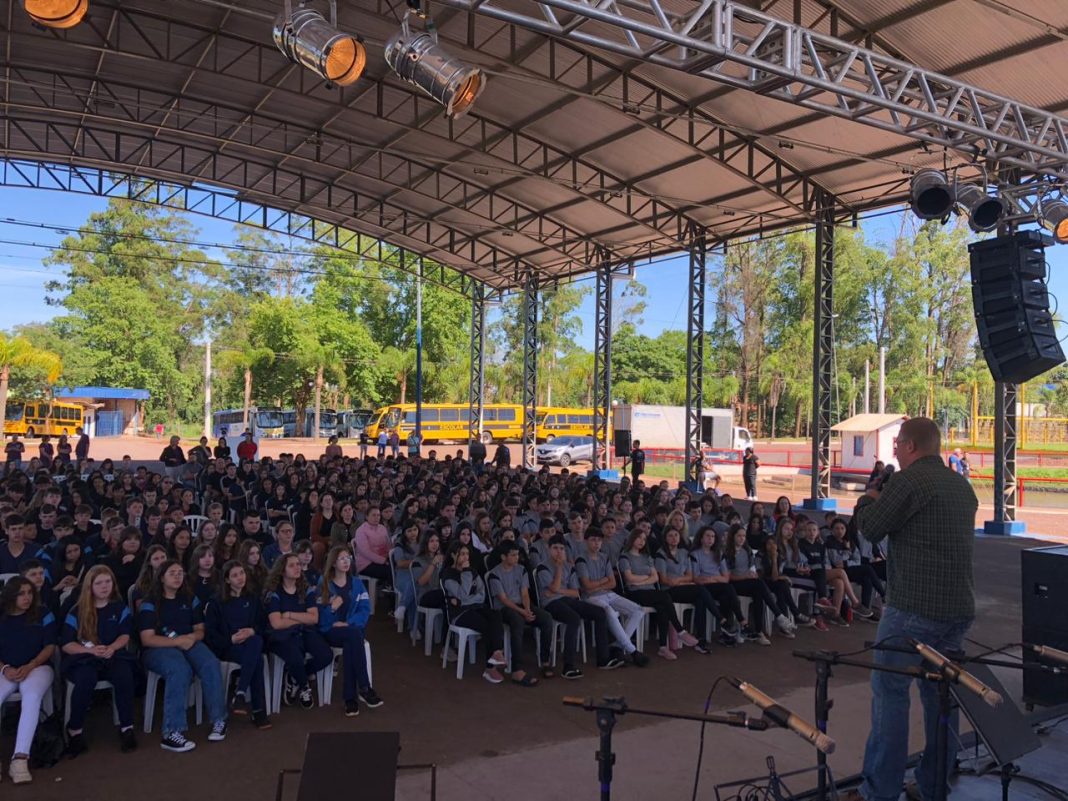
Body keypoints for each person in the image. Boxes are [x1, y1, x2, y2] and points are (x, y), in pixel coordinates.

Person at [846, 418, 978, 801]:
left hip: (912, 610)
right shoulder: (961, 485)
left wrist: (868, 498)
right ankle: (933, 785)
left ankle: (879, 791)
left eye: (897, 445)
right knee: (940, 696)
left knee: (890, 692)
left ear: (910, 446)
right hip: (957, 608)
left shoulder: (908, 481)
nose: (895, 452)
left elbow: (870, 528)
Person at [137, 559, 228, 752]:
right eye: (172, 573)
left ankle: (219, 719)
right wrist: (177, 641)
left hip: (188, 641)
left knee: (211, 663)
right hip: (159, 647)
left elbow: (200, 630)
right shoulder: (149, 602)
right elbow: (147, 639)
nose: (177, 576)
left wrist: (191, 638)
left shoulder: (190, 598)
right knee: (179, 670)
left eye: (180, 573)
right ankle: (171, 732)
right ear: (161, 578)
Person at [60, 565, 139, 756]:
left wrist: (112, 647)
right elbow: (67, 644)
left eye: (108, 582)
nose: (104, 586)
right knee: (85, 679)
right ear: (90, 586)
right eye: (99, 583)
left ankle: (127, 727)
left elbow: (125, 635)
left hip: (113, 654)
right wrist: (91, 650)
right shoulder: (76, 611)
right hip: (84, 658)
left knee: (124, 675)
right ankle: (75, 730)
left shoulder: (119, 608)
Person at [0, 576, 56, 783]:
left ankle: (20, 758)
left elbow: (50, 646)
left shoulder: (44, 613)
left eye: (30, 593)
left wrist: (32, 665)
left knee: (31, 696)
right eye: (21, 594)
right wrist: (5, 668)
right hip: (6, 669)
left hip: (38, 667)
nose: (27, 598)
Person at [204, 561, 272, 729]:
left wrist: (252, 631)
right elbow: (211, 634)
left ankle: (241, 693)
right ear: (227, 580)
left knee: (256, 642)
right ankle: (257, 710)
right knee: (257, 659)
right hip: (228, 646)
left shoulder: (252, 598)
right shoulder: (216, 602)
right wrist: (231, 640)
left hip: (250, 644)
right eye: (235, 575)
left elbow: (263, 624)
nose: (240, 578)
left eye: (242, 573)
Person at [316, 546, 383, 716]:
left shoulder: (357, 584)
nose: (346, 561)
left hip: (351, 630)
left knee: (351, 639)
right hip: (330, 630)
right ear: (333, 563)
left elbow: (365, 610)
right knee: (354, 636)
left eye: (348, 558)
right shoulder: (324, 583)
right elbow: (320, 617)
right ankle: (365, 687)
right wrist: (332, 609)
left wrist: (348, 623)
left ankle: (350, 698)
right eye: (341, 558)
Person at [264, 553, 333, 709]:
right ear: (282, 571)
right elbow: (276, 623)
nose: (297, 568)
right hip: (282, 636)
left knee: (326, 656)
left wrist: (289, 614)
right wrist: (302, 618)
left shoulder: (306, 590)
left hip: (305, 631)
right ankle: (304, 686)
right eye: (292, 565)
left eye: (298, 564)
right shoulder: (274, 593)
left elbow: (314, 618)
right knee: (295, 656)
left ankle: (295, 676)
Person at [574, 528, 649, 666]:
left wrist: (598, 584)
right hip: (590, 597)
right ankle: (633, 651)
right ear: (586, 541)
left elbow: (613, 583)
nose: (596, 543)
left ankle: (617, 646)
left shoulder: (604, 557)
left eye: (599, 540)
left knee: (638, 610)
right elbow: (587, 586)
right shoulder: (581, 559)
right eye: (593, 540)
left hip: (608, 593)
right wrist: (603, 581)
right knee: (608, 610)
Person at [618, 529, 697, 660]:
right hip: (634, 592)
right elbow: (629, 578)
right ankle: (680, 630)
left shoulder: (647, 557)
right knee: (665, 597)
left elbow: (655, 578)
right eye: (639, 538)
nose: (642, 541)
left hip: (649, 591)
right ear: (632, 539)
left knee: (662, 608)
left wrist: (642, 580)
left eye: (644, 539)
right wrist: (646, 577)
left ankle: (663, 647)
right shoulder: (625, 557)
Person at [441, 542, 508, 684]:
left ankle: (497, 652)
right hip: (459, 614)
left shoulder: (473, 571)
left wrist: (463, 601)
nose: (466, 557)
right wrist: (465, 573)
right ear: (453, 555)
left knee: (495, 615)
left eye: (467, 554)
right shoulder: (448, 574)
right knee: (486, 625)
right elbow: (463, 594)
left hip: (475, 607)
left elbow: (481, 594)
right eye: (462, 554)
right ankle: (490, 668)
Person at [486, 540, 551, 685]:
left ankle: (545, 661)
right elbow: (503, 600)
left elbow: (525, 593)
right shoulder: (494, 574)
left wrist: (527, 609)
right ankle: (517, 669)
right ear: (503, 557)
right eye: (513, 555)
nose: (517, 558)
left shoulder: (521, 569)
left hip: (522, 604)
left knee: (546, 618)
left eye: (517, 555)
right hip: (504, 609)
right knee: (517, 622)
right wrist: (522, 612)